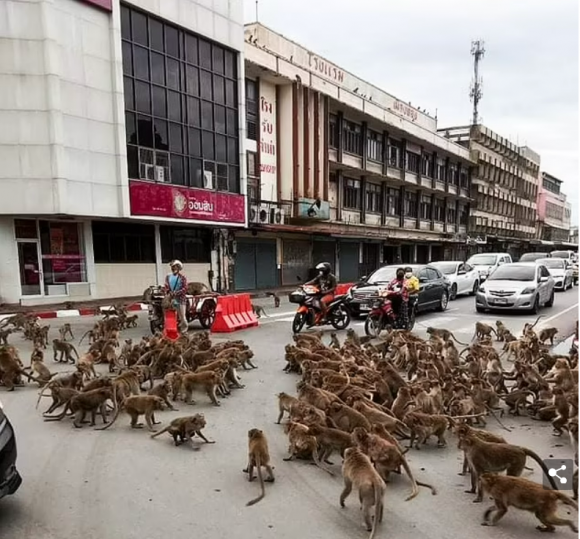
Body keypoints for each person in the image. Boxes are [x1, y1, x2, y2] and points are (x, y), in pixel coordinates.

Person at [164, 260, 188, 333]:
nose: (173, 268)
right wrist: (168, 292)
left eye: (175, 267)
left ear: (179, 268)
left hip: (181, 299)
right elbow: (166, 286)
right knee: (170, 315)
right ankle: (171, 328)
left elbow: (185, 288)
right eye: (172, 267)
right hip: (171, 299)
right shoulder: (168, 276)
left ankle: (184, 330)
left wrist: (176, 293)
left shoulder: (182, 277)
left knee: (182, 316)